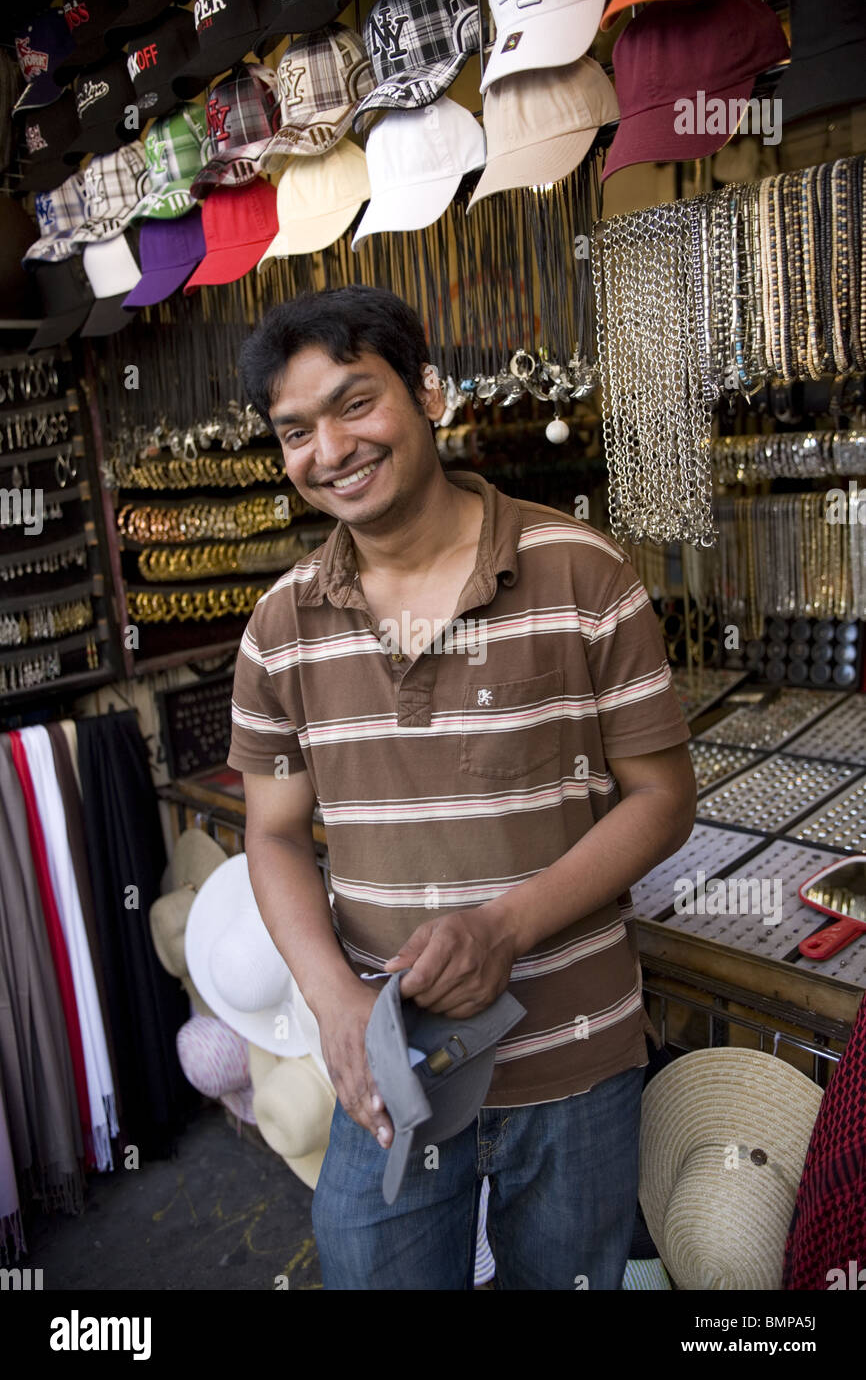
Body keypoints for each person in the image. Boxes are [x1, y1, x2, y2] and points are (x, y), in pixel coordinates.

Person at [228, 285, 697, 1290]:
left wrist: (505, 928)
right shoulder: (280, 627)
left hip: (572, 1056)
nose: (332, 447)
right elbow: (270, 833)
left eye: (357, 403)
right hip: (388, 1063)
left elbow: (661, 795)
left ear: (429, 395)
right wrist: (334, 1003)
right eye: (295, 428)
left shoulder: (581, 571)